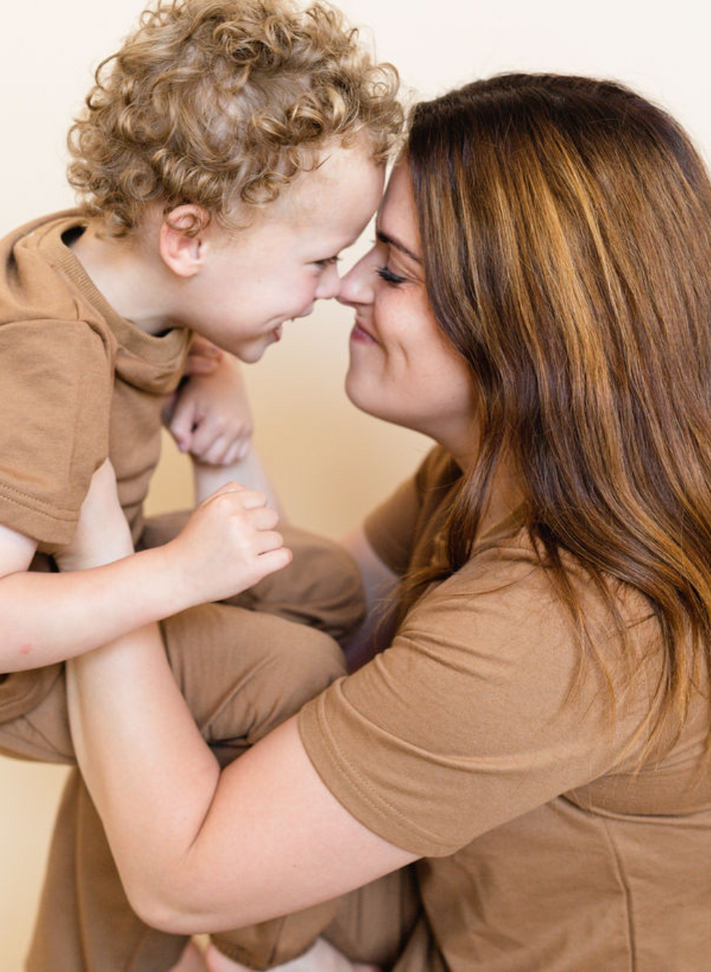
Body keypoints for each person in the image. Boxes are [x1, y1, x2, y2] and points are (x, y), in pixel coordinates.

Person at [62, 73, 711, 971]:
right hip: (434, 918)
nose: (345, 287)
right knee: (188, 684)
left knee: (146, 725)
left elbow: (179, 878)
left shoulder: (566, 617)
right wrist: (222, 439)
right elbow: (325, 616)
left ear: (532, 326)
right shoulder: (536, 473)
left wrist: (93, 551)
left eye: (396, 269)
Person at [0, 0, 403, 968]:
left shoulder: (110, 262)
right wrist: (179, 577)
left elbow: (134, 333)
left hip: (93, 568)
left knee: (326, 584)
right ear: (187, 234)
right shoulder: (47, 364)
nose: (330, 288)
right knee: (295, 672)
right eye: (313, 260)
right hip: (19, 672)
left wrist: (201, 367)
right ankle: (266, 941)